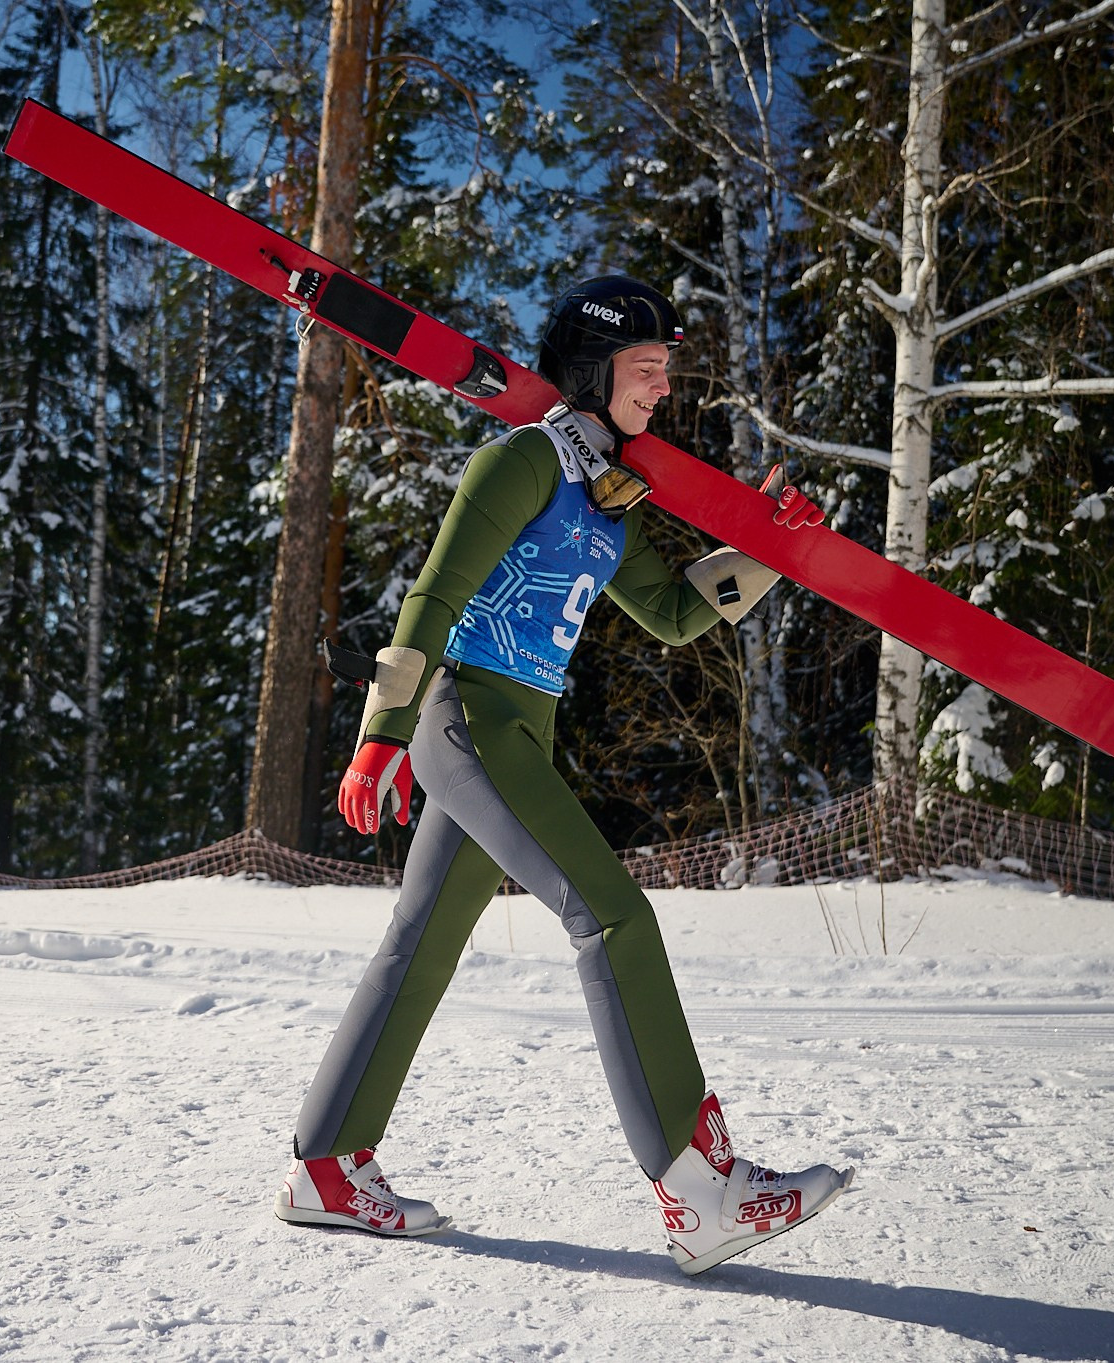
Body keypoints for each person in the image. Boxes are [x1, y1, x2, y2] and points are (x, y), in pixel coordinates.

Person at [273, 276, 851, 1276]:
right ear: (593, 370)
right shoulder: (523, 460)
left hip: (517, 733)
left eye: (665, 372)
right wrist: (382, 735)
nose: (662, 389)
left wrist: (768, 550)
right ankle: (698, 1187)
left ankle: (325, 1165)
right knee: (612, 914)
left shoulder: (604, 497)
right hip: (469, 718)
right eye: (647, 370)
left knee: (420, 942)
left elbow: (672, 613)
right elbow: (436, 591)